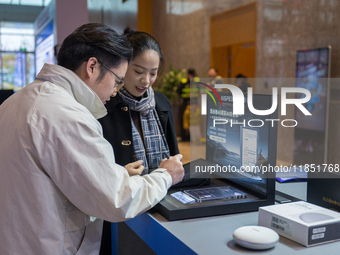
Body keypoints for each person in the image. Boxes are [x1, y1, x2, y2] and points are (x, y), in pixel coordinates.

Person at [0, 23, 184, 255]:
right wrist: (165, 176)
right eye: (117, 80)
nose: (116, 91)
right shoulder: (67, 116)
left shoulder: (19, 101)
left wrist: (113, 173)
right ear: (93, 67)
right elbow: (117, 199)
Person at [98, 28, 181, 254]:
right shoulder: (104, 107)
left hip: (160, 209)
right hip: (120, 214)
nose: (146, 80)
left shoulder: (161, 104)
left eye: (153, 73)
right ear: (123, 65)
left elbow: (174, 157)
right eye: (138, 71)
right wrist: (121, 172)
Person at [177, 68, 198, 141]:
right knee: (183, 120)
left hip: (194, 103)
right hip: (185, 102)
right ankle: (184, 137)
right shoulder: (184, 81)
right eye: (189, 75)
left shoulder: (197, 81)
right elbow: (178, 91)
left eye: (191, 75)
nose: (189, 76)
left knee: (194, 120)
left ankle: (193, 137)